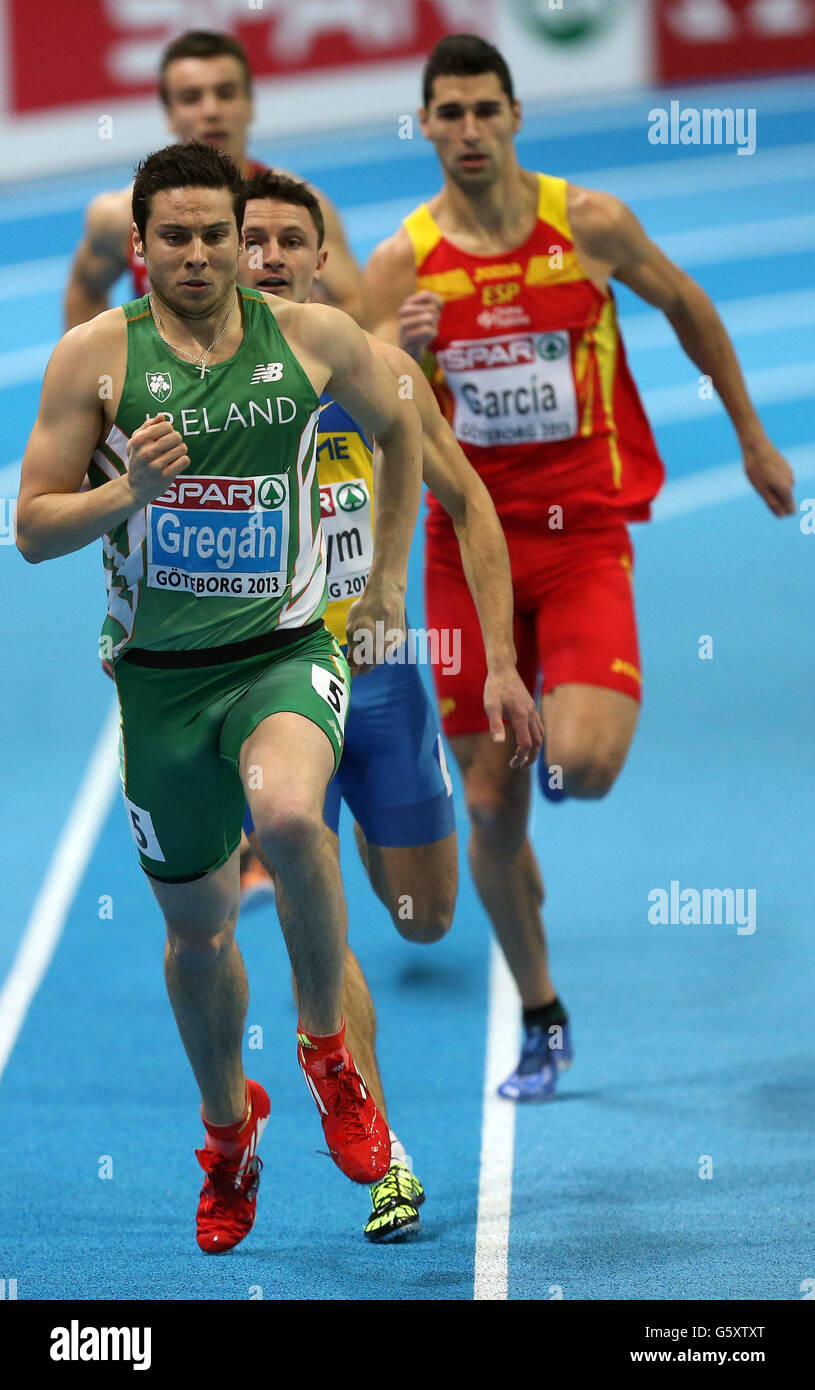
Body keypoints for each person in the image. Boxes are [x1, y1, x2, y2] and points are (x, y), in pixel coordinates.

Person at [363, 33, 796, 1100]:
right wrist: (403, 352)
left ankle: (539, 774)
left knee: (582, 766)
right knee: (488, 803)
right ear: (422, 126)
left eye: (482, 110)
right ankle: (544, 1015)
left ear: (515, 117)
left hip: (583, 533)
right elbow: (367, 419)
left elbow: (690, 308)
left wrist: (748, 436)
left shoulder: (586, 224)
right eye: (445, 114)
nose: (465, 131)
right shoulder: (401, 262)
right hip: (468, 547)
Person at [17, 141, 424, 1254]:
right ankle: (229, 1131)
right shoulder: (95, 362)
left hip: (283, 653)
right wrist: (127, 491)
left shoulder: (310, 338)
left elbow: (404, 427)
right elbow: (32, 531)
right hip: (158, 683)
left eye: (218, 236)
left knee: (292, 818)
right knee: (196, 938)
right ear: (139, 246)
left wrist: (384, 580)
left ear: (243, 242)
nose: (199, 255)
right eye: (177, 237)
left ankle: (327, 1055)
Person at [237, 168, 542, 1238]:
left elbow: (472, 505)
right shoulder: (185, 381)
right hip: (267, 694)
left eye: (290, 239)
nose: (269, 255)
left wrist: (497, 661)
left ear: (325, 260)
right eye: (251, 239)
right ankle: (385, 1154)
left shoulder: (371, 378)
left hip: (378, 684)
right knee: (317, 928)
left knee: (422, 916)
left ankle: (370, 845)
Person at [64, 29, 363, 329]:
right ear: (170, 114)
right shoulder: (122, 214)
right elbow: (86, 289)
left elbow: (355, 305)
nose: (211, 111)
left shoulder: (296, 209)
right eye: (191, 98)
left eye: (226, 93)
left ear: (250, 104)